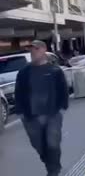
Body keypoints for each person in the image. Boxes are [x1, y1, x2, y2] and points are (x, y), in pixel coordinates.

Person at [15, 40, 69, 176]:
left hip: (52, 115)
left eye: (36, 49)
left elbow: (63, 90)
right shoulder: (24, 72)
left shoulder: (55, 71)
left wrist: (62, 107)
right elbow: (19, 93)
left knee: (52, 143)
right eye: (31, 49)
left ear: (44, 50)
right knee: (39, 145)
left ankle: (53, 170)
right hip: (31, 117)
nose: (33, 52)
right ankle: (51, 164)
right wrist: (21, 113)